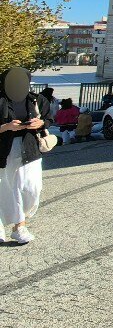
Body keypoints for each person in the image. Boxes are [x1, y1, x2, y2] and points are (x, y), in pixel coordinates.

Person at [0, 67, 52, 244]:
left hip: (30, 146)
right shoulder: (1, 100)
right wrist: (7, 127)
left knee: (33, 188)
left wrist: (41, 122)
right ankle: (19, 226)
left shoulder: (36, 99)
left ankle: (18, 221)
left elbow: (49, 118)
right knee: (11, 187)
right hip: (6, 147)